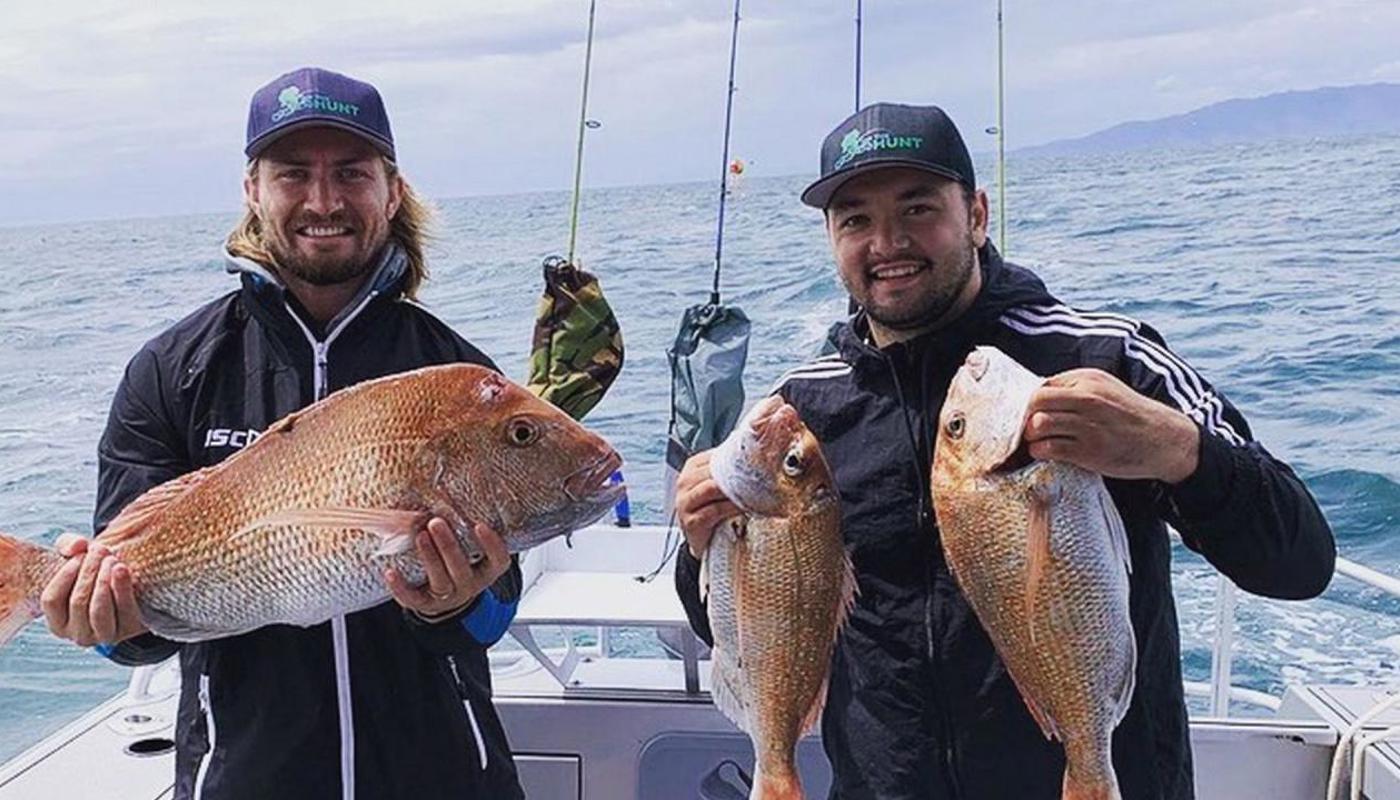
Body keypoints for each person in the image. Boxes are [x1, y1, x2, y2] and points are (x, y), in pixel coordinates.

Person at [673, 102, 1336, 799]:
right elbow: (744, 626)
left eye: (918, 208)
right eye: (856, 221)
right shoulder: (798, 414)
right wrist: (701, 545)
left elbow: (1300, 562)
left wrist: (1179, 449)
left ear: (977, 215)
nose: (887, 242)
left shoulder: (1107, 359)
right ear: (831, 238)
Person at [38, 67, 524, 800]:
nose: (323, 201)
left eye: (351, 173)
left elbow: (497, 609)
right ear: (252, 190)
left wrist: (457, 603)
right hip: (245, 779)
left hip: (447, 777)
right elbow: (132, 622)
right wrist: (103, 618)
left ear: (392, 192)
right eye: (293, 173)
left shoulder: (453, 378)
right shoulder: (171, 372)